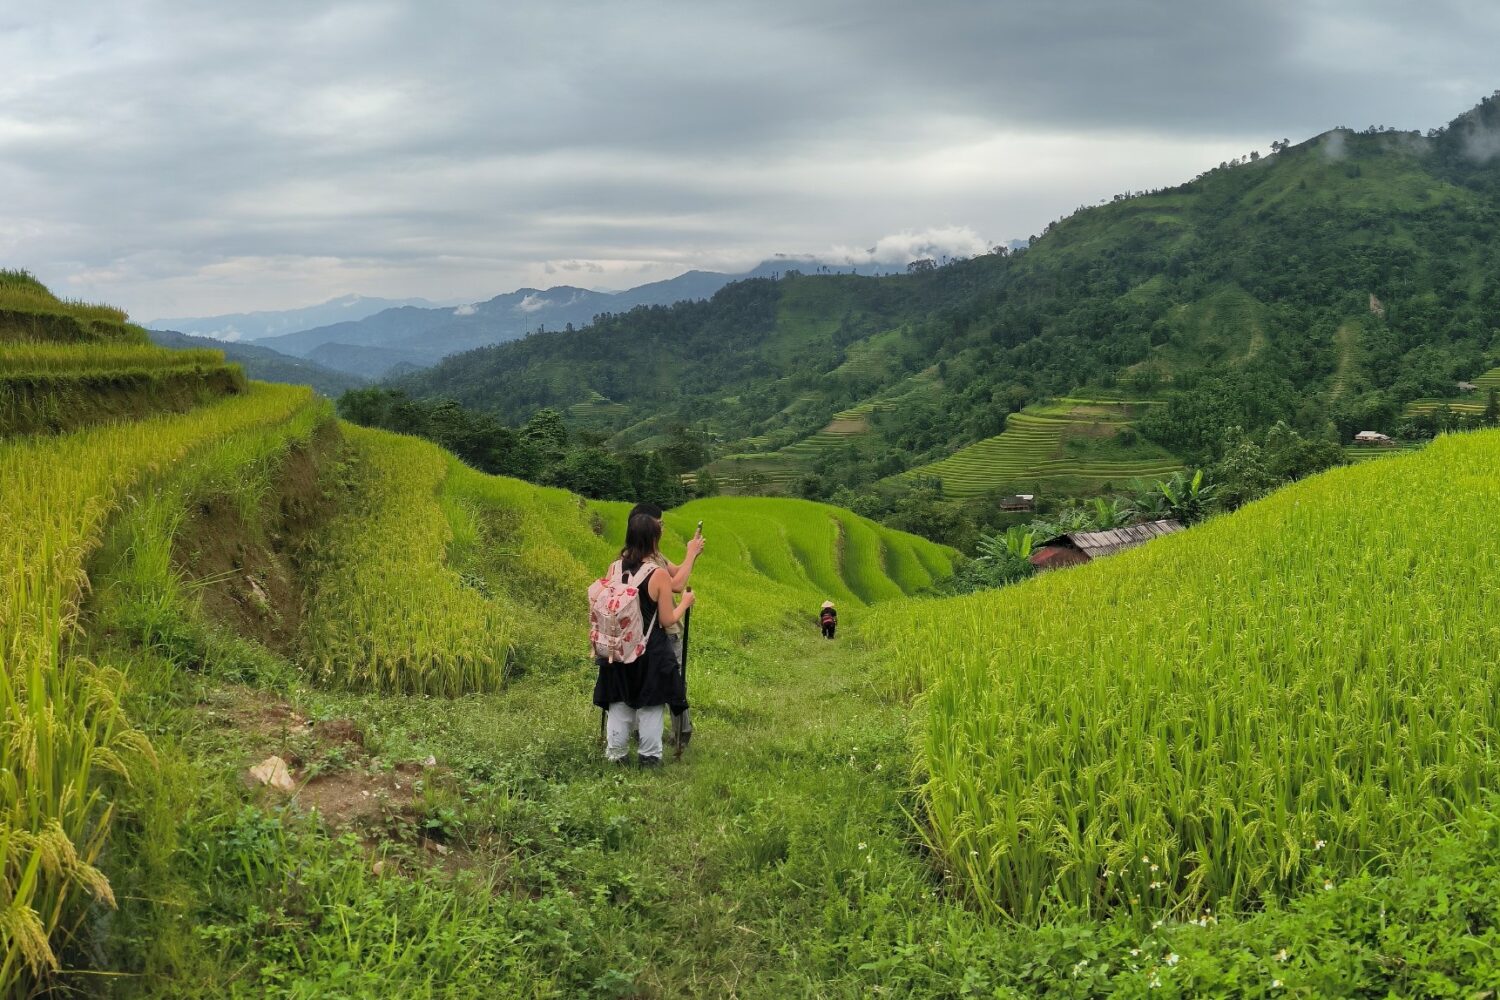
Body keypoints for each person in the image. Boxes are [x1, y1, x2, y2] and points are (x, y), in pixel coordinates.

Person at [594, 513, 694, 768]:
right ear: (653, 540)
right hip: (649, 649)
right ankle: (649, 757)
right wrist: (684, 603)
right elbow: (667, 618)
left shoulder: (614, 567)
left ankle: (616, 754)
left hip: (617, 648)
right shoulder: (657, 574)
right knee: (650, 704)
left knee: (619, 700)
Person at [628, 503, 704, 748]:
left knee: (648, 680)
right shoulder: (646, 560)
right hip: (660, 632)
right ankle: (678, 732)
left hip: (642, 633)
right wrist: (691, 554)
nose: (661, 528)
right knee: (672, 680)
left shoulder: (650, 556)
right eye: (658, 524)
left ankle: (671, 731)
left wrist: (691, 553)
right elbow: (677, 585)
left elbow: (678, 572)